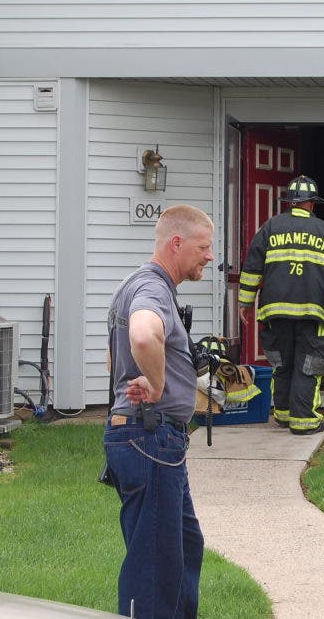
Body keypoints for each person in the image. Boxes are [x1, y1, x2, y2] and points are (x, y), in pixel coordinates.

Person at [103, 204, 214, 619]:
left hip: (154, 439)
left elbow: (113, 362)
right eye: (203, 247)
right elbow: (142, 336)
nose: (209, 256)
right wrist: (157, 382)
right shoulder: (152, 288)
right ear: (176, 243)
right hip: (149, 438)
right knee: (154, 565)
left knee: (184, 546)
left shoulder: (140, 285)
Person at [238, 174, 324, 435]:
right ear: (312, 203)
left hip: (275, 313)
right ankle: (304, 421)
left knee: (282, 364)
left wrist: (245, 303)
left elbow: (252, 268)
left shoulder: (270, 228)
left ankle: (283, 414)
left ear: (290, 202)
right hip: (314, 314)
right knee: (308, 366)